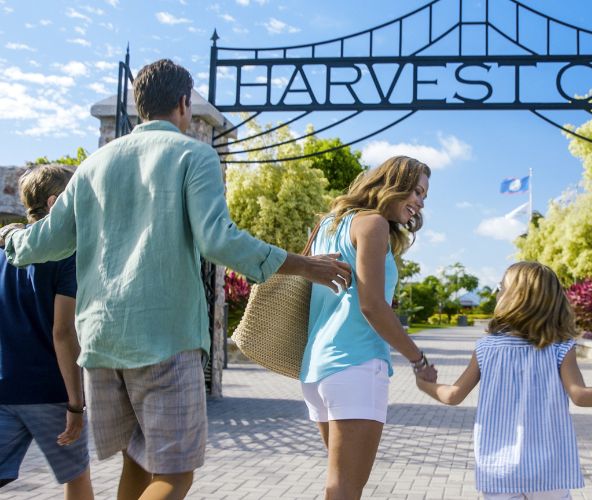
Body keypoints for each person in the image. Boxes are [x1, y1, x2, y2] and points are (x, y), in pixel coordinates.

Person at [0, 59, 351, 500]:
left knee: (138, 463)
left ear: (139, 104)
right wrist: (307, 266)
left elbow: (41, 244)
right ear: (185, 103)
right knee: (176, 473)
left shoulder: (93, 165)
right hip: (164, 339)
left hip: (102, 345)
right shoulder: (193, 154)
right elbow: (218, 240)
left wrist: (10, 234)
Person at [416, 261, 592, 500]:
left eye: (500, 288)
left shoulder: (486, 348)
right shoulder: (560, 348)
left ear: (511, 299)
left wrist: (423, 382)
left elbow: (452, 395)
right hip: (548, 470)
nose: (497, 294)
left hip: (498, 471)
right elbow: (581, 395)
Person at [300, 155, 438, 499]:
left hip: (317, 369)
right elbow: (372, 305)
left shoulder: (329, 224)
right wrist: (417, 360)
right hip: (355, 364)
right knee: (345, 489)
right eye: (417, 192)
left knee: (339, 485)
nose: (420, 203)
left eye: (424, 197)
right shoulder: (372, 224)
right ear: (396, 184)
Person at [0, 165, 94, 499]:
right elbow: (63, 333)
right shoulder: (66, 256)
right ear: (55, 204)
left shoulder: (3, 256)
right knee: (77, 477)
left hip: (5, 388)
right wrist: (76, 404)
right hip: (50, 392)